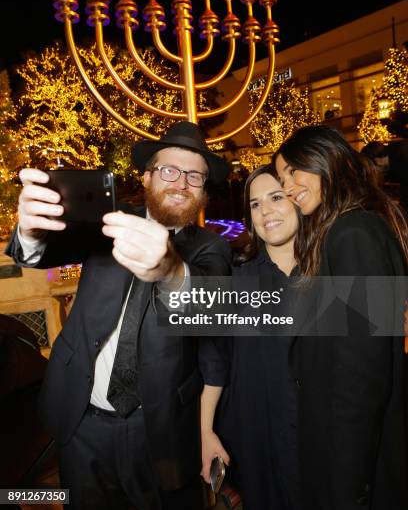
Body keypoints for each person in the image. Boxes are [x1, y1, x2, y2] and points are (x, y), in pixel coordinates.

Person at [5, 121, 232, 510]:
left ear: (204, 189)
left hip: (158, 428)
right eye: (169, 170)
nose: (181, 183)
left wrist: (171, 271)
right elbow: (38, 253)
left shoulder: (211, 248)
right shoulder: (108, 222)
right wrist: (30, 230)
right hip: (81, 419)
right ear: (146, 177)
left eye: (195, 175)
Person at [274, 125, 408, 510]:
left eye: (293, 170)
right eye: (282, 178)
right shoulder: (347, 227)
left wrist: (348, 484)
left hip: (351, 460)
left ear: (325, 160)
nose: (288, 186)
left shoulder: (353, 233)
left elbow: (362, 372)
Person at [200, 165, 301, 510]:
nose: (266, 211)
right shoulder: (238, 280)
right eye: (255, 205)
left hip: (318, 440)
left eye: (276, 197)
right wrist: (205, 431)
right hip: (256, 438)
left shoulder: (331, 270)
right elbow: (216, 362)